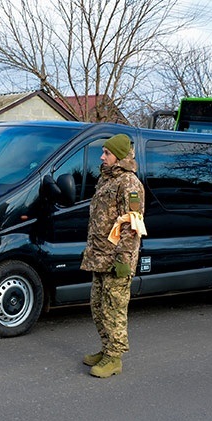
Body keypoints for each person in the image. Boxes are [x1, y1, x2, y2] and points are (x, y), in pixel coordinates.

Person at [80, 133, 145, 377]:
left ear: (118, 156)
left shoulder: (129, 184)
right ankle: (106, 348)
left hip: (117, 259)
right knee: (98, 306)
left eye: (106, 153)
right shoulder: (107, 180)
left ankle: (114, 358)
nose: (102, 156)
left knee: (113, 308)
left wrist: (123, 260)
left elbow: (132, 225)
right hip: (100, 256)